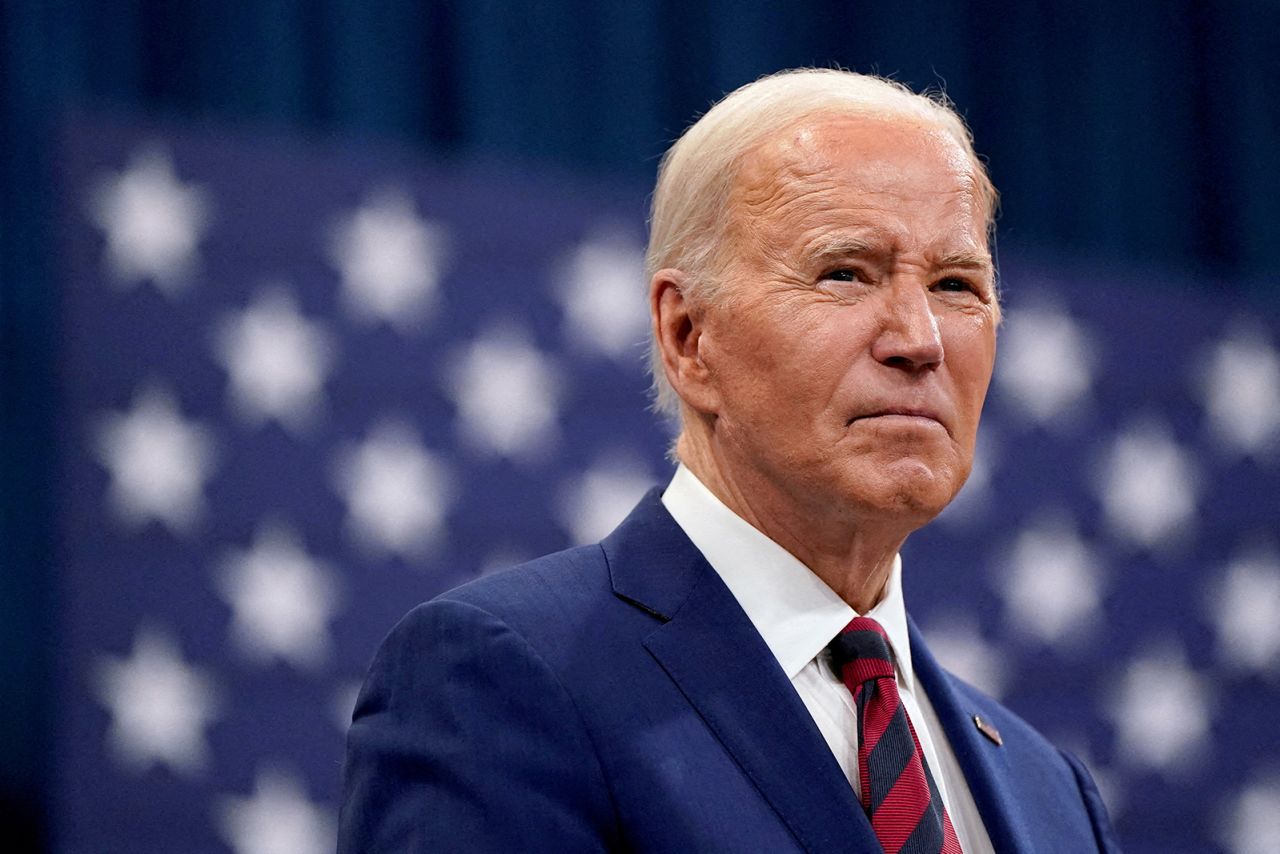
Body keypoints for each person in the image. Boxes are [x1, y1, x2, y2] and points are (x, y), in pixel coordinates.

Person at [339, 68, 1119, 853]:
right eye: (845, 273)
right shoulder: (499, 683)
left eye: (956, 284)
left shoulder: (1050, 792)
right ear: (689, 338)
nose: (919, 340)